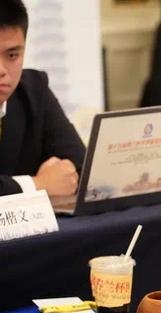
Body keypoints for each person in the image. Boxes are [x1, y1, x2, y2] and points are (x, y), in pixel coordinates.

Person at [0, 0, 85, 197]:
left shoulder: (34, 91)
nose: (2, 70)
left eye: (12, 56)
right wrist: (37, 184)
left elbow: (79, 165)